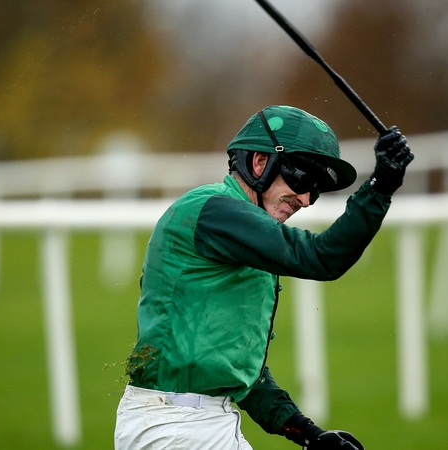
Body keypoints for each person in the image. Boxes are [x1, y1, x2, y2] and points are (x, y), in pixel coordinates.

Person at [114, 105, 413, 449]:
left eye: (315, 189)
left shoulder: (240, 239)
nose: (305, 199)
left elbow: (242, 376)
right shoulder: (214, 211)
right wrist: (379, 186)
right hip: (177, 428)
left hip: (194, 423)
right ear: (260, 162)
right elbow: (321, 258)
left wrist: (309, 434)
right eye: (302, 179)